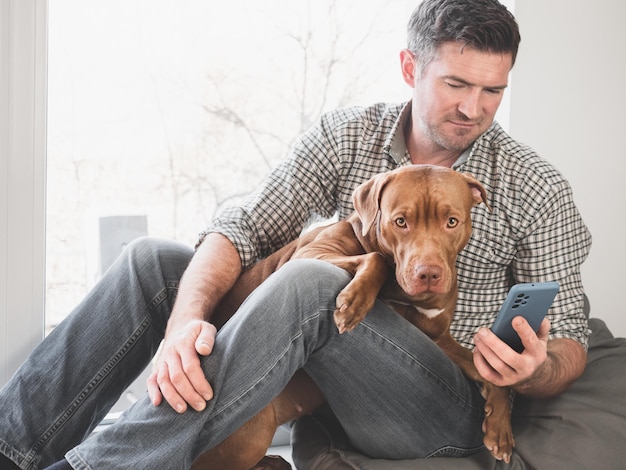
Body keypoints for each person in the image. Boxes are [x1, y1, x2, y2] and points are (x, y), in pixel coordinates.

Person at [0, 0, 592, 468]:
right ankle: (12, 450)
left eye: (493, 90)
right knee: (152, 262)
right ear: (412, 68)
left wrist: (535, 370)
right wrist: (185, 324)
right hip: (329, 369)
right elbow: (245, 227)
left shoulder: (533, 186)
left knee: (313, 279)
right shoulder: (349, 138)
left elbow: (568, 339)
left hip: (439, 399)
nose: (474, 108)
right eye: (457, 84)